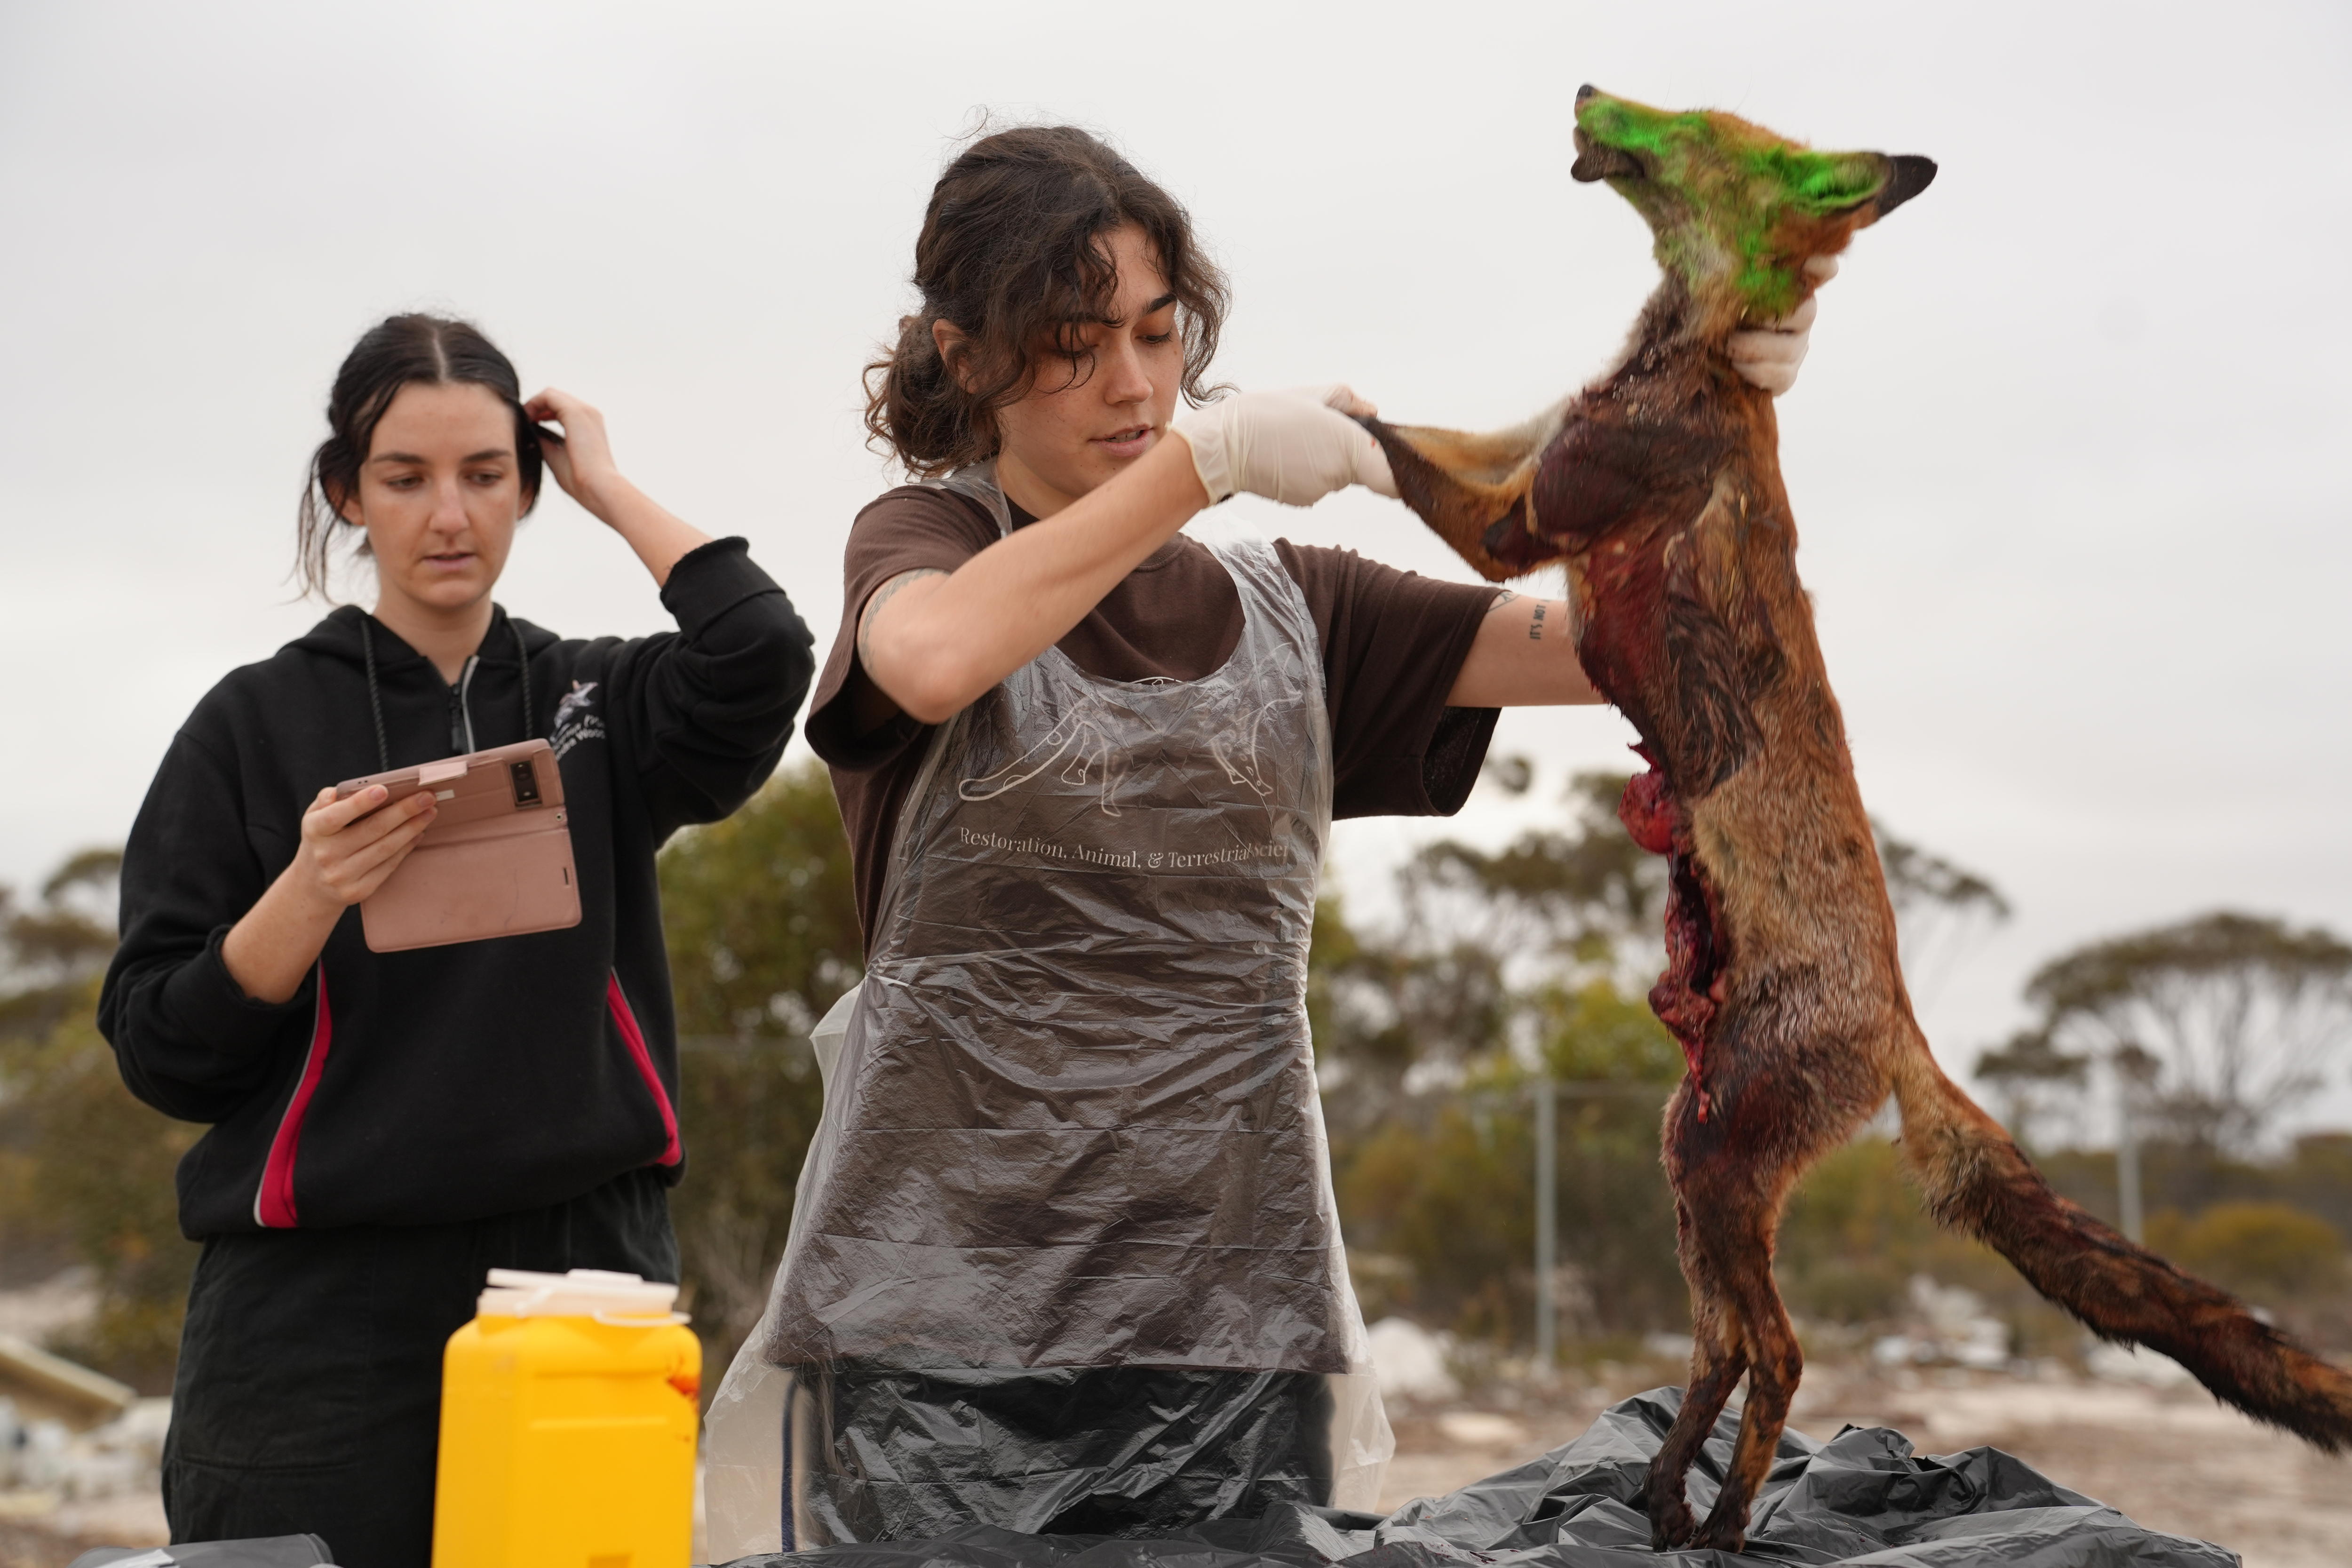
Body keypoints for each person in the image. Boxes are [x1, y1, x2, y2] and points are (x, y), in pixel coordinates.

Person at [704, 126, 1829, 1553]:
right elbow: (927, 663)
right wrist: (1208, 462)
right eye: (1072, 346)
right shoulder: (921, 543)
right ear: (963, 355)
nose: (1134, 384)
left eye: (1157, 332)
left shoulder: (1300, 614)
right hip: (932, 1334)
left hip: (1236, 1331)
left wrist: (1705, 427)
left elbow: (1677, 648)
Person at [97, 314, 815, 1567]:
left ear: (529, 488)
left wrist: (606, 485)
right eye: (405, 478)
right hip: (314, 1317)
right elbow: (161, 1050)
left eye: (486, 475)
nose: (449, 515)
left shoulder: (599, 701)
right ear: (346, 493)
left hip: (582, 1284)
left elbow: (762, 652)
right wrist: (310, 892)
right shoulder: (248, 727)